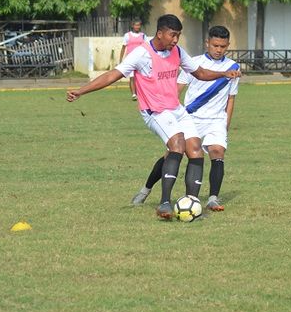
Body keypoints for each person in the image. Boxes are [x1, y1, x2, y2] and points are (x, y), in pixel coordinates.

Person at [66, 14, 241, 219]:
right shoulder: (141, 54)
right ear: (160, 33)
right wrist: (81, 90)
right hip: (154, 110)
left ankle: (192, 204)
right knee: (177, 144)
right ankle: (165, 203)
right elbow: (113, 75)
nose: (176, 40)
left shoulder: (177, 51)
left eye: (178, 35)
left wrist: (223, 74)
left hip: (175, 108)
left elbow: (200, 73)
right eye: (172, 35)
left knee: (194, 148)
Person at [131, 25, 240, 212]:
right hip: (191, 116)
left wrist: (225, 124)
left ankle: (212, 198)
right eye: (215, 45)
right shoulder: (194, 63)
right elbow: (175, 91)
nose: (218, 49)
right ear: (207, 43)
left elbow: (231, 99)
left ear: (228, 45)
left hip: (216, 120)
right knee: (172, 154)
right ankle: (146, 189)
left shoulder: (233, 68)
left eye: (223, 46)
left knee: (217, 151)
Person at [119, 19, 147, 101]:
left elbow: (146, 47)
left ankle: (141, 93)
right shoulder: (127, 35)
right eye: (136, 25)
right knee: (132, 77)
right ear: (132, 26)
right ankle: (134, 94)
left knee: (141, 77)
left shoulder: (143, 36)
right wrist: (120, 60)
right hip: (130, 59)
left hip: (141, 59)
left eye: (139, 25)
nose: (137, 27)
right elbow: (123, 47)